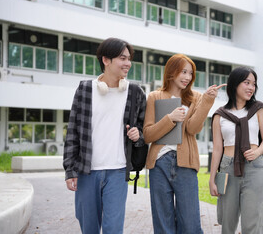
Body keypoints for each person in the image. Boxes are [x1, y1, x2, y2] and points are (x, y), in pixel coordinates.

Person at [63, 37, 146, 234]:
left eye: (129, 58)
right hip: (86, 171)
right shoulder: (85, 89)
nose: (128, 63)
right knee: (89, 228)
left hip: (117, 171)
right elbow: (73, 130)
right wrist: (70, 170)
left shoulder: (135, 93)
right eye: (122, 58)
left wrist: (138, 135)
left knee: (113, 229)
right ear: (105, 60)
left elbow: (145, 129)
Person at [143, 53, 226, 234]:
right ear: (171, 72)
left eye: (190, 73)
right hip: (159, 163)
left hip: (186, 164)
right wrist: (170, 118)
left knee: (190, 224)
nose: (188, 77)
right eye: (183, 72)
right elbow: (148, 135)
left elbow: (193, 129)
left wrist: (207, 102)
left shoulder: (195, 97)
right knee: (163, 223)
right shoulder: (155, 96)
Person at [209, 66, 263, 234]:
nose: (251, 87)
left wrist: (257, 152)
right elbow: (217, 149)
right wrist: (212, 179)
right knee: (227, 221)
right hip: (228, 168)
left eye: (253, 84)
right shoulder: (220, 115)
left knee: (253, 220)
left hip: (255, 167)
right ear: (235, 84)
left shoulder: (259, 110)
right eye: (246, 82)